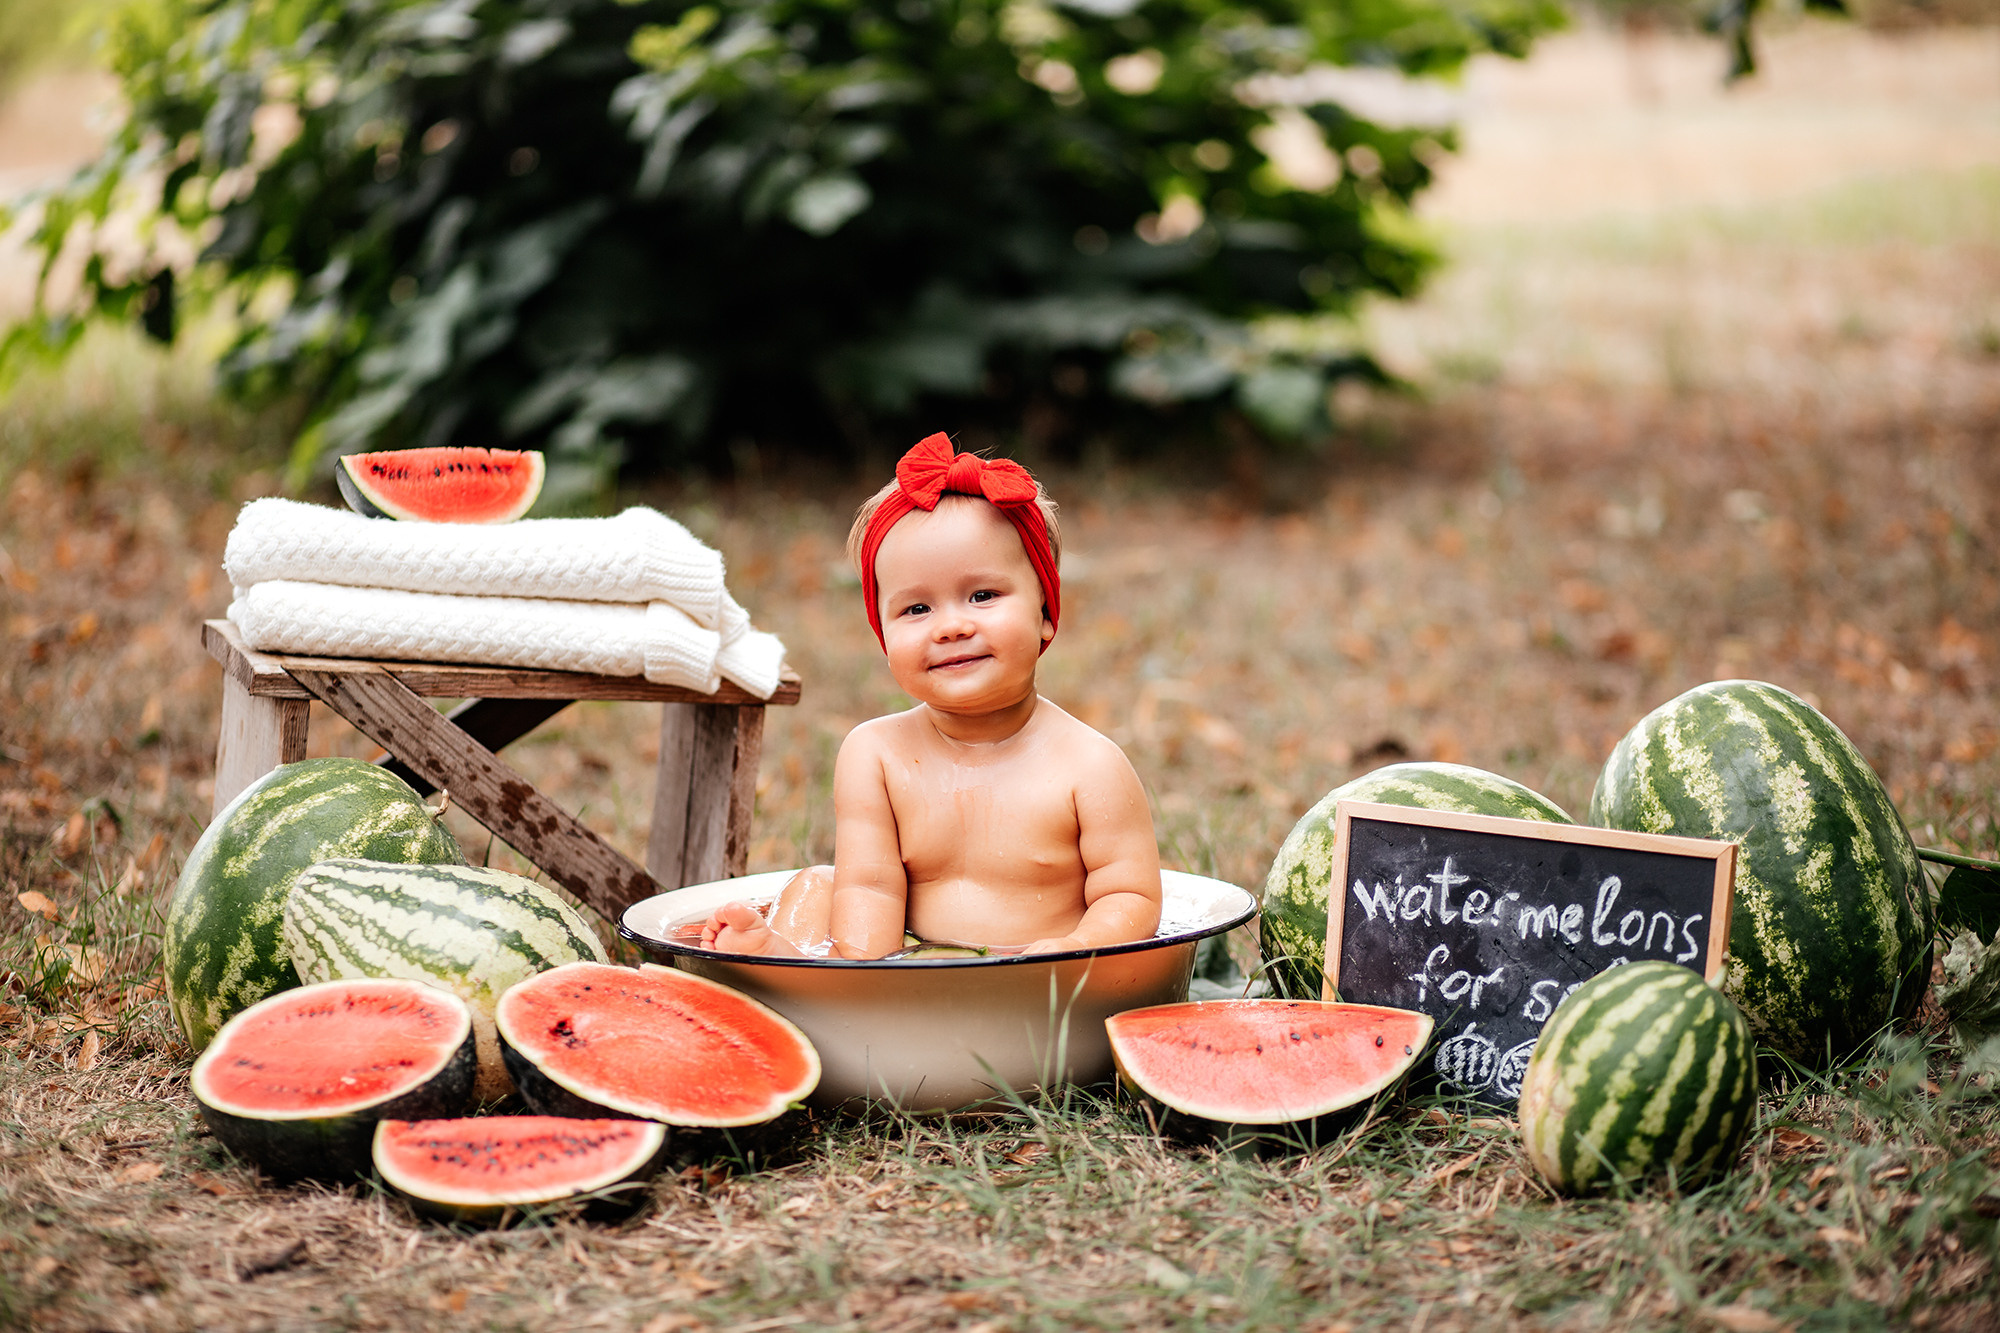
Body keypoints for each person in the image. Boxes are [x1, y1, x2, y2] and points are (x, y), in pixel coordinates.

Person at [701, 432, 1163, 958]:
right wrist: (862, 976)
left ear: (1046, 614)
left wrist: (1075, 948)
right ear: (883, 636)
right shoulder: (875, 753)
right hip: (911, 972)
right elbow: (870, 887)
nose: (950, 627)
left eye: (982, 595)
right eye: (916, 609)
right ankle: (784, 967)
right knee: (819, 884)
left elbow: (1130, 895)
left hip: (1035, 981)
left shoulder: (1090, 765)